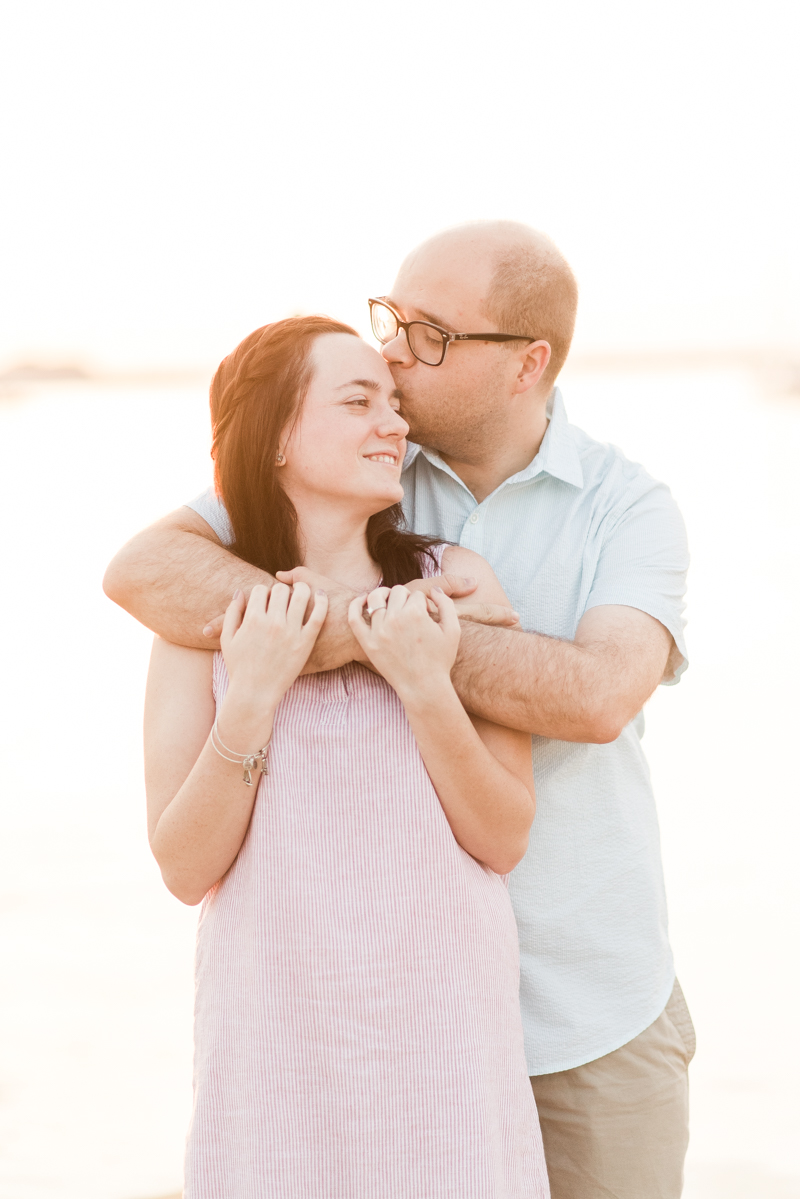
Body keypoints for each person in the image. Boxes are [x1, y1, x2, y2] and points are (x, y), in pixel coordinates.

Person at [105, 221, 695, 1198]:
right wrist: (332, 635)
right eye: (388, 321)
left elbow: (595, 695)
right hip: (336, 1030)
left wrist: (420, 649)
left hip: (587, 1010)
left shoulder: (624, 507)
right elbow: (142, 570)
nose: (390, 355)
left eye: (426, 334)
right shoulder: (365, 467)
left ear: (525, 364)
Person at [141, 315, 549, 1197]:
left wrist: (424, 681)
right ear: (278, 434)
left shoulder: (456, 582)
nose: (395, 425)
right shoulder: (199, 615)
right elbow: (182, 866)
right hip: (276, 1045)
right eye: (359, 400)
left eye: (396, 404)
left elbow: (503, 837)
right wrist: (250, 694)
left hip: (445, 1048)